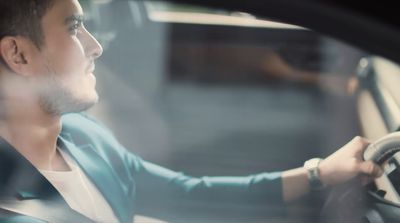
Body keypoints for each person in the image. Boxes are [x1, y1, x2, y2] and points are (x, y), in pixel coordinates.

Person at [0, 0, 383, 222]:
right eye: (75, 28)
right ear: (18, 53)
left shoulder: (82, 135)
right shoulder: (14, 207)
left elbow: (185, 193)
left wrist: (318, 174)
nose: (96, 46)